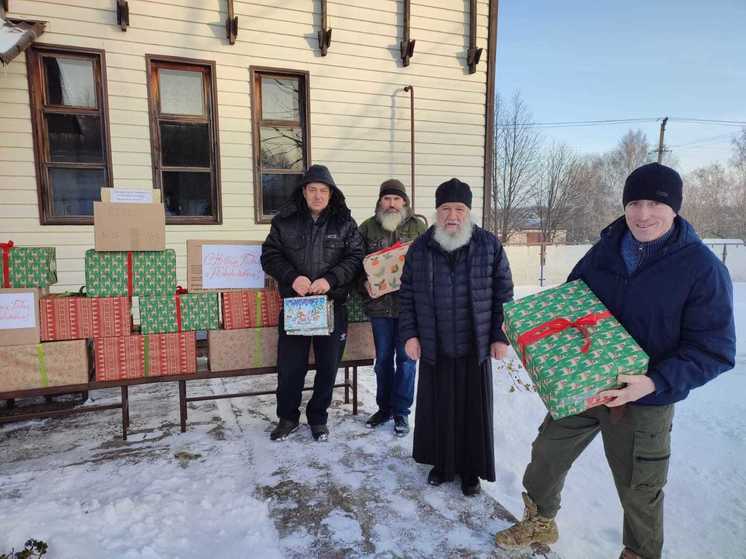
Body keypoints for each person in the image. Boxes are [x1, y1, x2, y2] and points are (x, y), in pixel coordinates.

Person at [494, 162, 736, 559]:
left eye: (655, 203)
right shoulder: (605, 251)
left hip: (645, 397)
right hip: (583, 385)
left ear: (675, 208)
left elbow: (714, 348)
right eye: (635, 202)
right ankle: (540, 521)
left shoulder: (701, 268)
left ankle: (639, 553)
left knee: (640, 488)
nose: (643, 214)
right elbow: (569, 305)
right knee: (546, 456)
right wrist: (536, 341)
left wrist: (654, 382)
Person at [399, 178, 514, 496]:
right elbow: (406, 295)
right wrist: (410, 334)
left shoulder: (489, 245)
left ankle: (470, 471)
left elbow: (504, 294)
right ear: (437, 212)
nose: (453, 216)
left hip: (473, 345)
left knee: (471, 413)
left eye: (459, 209)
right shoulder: (420, 248)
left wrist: (499, 336)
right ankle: (442, 464)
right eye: (446, 209)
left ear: (469, 212)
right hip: (436, 344)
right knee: (440, 409)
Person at [261, 164, 364, 442]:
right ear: (304, 192)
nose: (318, 195)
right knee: (290, 365)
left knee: (328, 366)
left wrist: (330, 279)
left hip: (332, 305)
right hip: (297, 307)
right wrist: (292, 277)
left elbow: (355, 258)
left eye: (323, 190)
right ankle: (287, 417)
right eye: (312, 190)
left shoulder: (344, 223)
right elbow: (269, 256)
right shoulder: (285, 221)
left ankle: (318, 418)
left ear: (331, 194)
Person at [358, 179, 427, 437]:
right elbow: (356, 264)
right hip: (379, 308)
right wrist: (363, 283)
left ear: (405, 203)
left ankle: (401, 412)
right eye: (387, 199)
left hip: (410, 309)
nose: (391, 204)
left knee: (407, 361)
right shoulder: (367, 228)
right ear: (380, 202)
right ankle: (384, 408)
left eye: (396, 199)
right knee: (383, 361)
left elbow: (427, 263)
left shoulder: (418, 228)